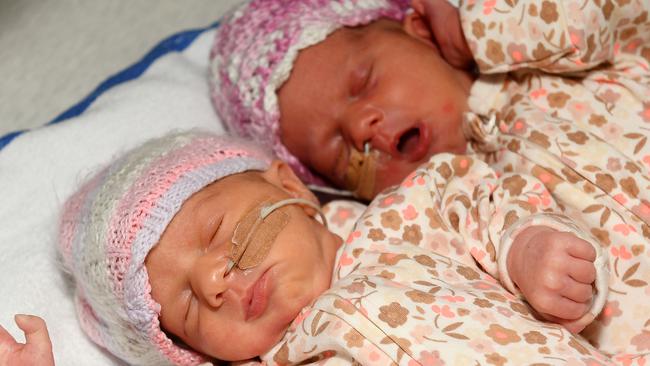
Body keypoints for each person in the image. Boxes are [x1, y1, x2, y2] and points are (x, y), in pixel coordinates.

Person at [210, 0, 650, 357]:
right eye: (340, 151)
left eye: (363, 82)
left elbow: (602, 16)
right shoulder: (456, 228)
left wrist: (475, 32)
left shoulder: (546, 59)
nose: (362, 126)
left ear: (417, 29)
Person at [2, 130, 630, 365]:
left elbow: (488, 202)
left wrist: (528, 248)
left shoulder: (412, 213)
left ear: (290, 187)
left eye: (218, 234)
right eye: (188, 311)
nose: (215, 280)